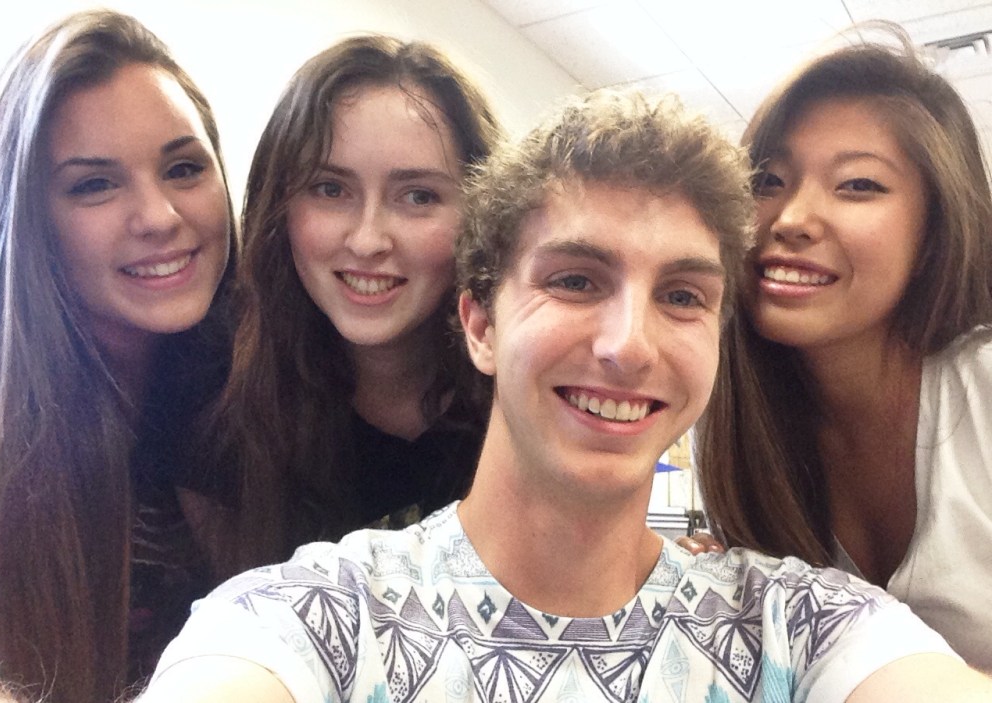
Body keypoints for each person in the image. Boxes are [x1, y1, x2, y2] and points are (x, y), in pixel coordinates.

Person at [141, 89, 992, 702]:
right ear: (478, 322)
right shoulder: (324, 615)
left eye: (684, 295)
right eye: (577, 279)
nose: (629, 344)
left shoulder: (801, 626)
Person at [694, 31, 992, 672]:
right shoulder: (735, 425)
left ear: (936, 229)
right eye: (767, 179)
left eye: (858, 185)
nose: (791, 218)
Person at [0, 10, 237, 701]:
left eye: (184, 168)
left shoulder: (251, 406)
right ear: (31, 217)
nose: (159, 216)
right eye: (95, 184)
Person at [191, 35, 500, 580]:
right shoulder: (215, 394)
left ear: (481, 218)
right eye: (330, 189)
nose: (367, 239)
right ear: (279, 206)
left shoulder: (524, 397)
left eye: (419, 196)